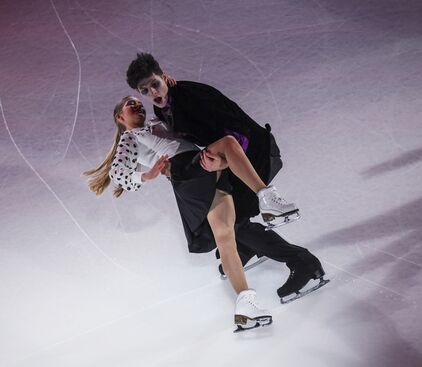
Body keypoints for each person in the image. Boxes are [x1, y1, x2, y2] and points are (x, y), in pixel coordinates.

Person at [125, 53, 328, 304]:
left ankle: (303, 262)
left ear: (164, 75)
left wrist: (221, 161)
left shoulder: (190, 98)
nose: (153, 92)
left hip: (254, 153)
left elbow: (237, 133)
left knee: (233, 221)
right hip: (233, 159)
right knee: (226, 219)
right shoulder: (163, 105)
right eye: (145, 90)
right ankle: (249, 247)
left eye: (155, 83)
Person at [84, 96, 296, 330]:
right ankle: (266, 198)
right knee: (227, 144)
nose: (136, 105)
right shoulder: (129, 138)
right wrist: (147, 175)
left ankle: (245, 307)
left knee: (225, 238)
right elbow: (118, 173)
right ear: (120, 117)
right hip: (187, 171)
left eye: (137, 102)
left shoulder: (157, 121)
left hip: (201, 168)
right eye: (129, 104)